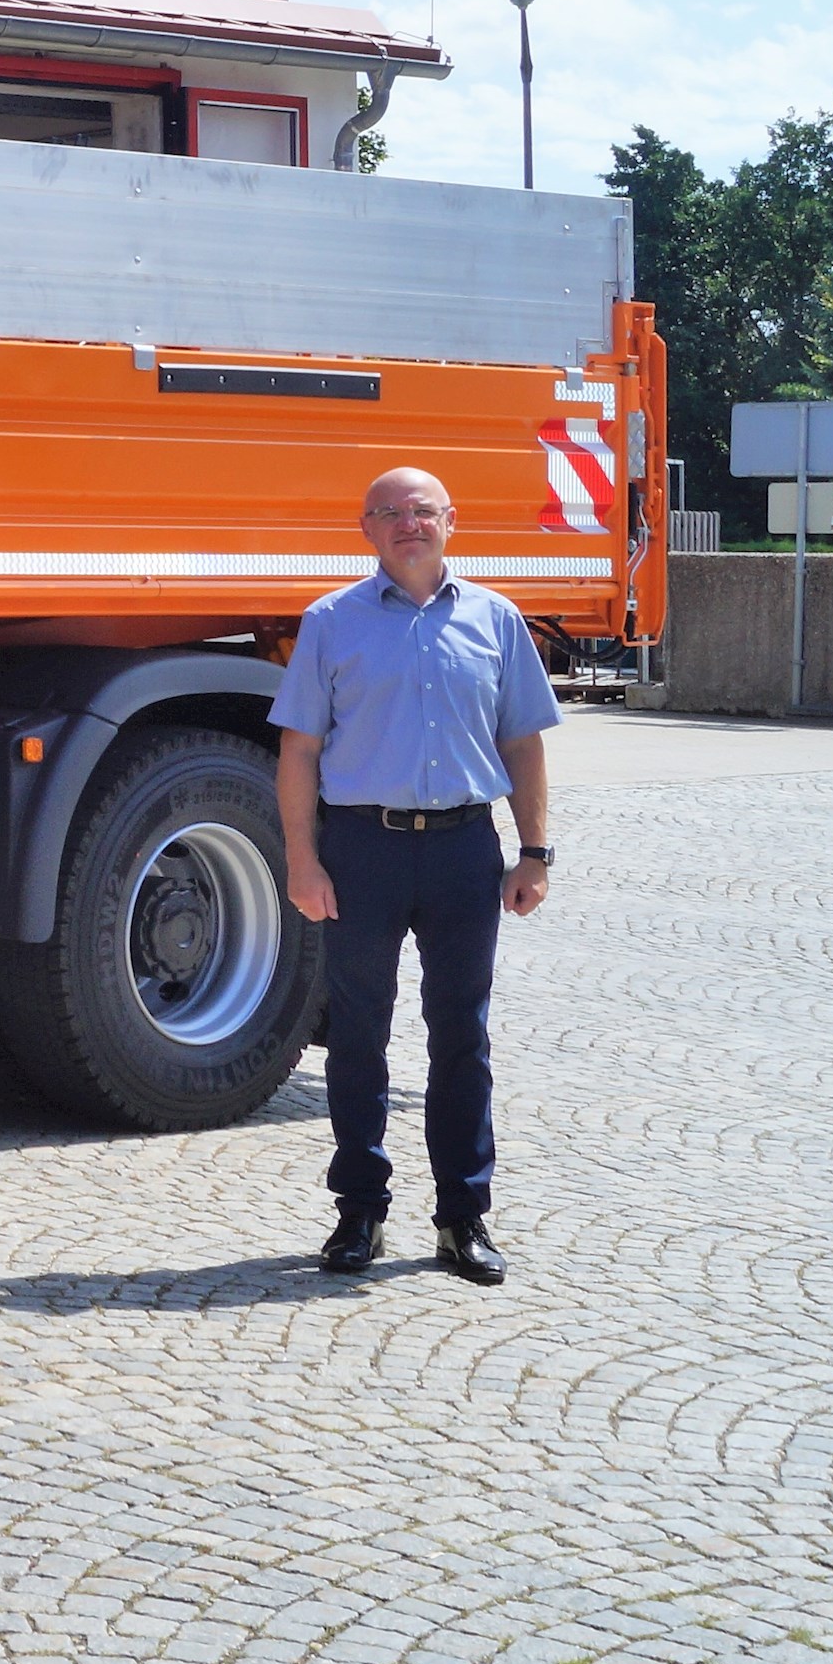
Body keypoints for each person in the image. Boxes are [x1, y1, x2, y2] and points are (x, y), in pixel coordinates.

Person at [271, 464, 558, 1286]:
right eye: (389, 512)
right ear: (365, 527)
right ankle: (358, 1210)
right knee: (358, 1035)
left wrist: (532, 850)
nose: (408, 523)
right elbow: (299, 750)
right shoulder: (331, 621)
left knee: (460, 1035)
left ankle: (463, 1218)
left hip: (467, 849)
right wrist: (301, 858)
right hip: (363, 847)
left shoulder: (497, 620)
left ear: (450, 521)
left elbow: (523, 743)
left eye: (422, 509)